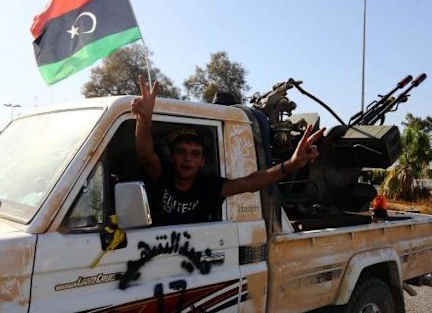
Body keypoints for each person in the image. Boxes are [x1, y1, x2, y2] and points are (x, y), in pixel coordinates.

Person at [131, 76, 325, 226]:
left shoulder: (208, 188)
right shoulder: (162, 176)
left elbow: (250, 182)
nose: (188, 159)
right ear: (172, 157)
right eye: (182, 152)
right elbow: (146, 155)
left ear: (202, 161)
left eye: (195, 153)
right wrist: (144, 121)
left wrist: (292, 164)